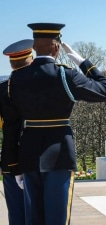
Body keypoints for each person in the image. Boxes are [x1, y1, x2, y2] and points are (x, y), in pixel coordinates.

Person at [8, 23, 106, 225]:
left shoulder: (17, 77)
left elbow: (12, 125)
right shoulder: (66, 75)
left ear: (33, 47)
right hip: (59, 155)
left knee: (34, 218)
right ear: (56, 47)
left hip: (28, 154)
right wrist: (82, 62)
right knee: (57, 218)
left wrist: (15, 165)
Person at [1, 39, 34, 225]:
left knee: (17, 215)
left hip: (12, 160)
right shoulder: (44, 87)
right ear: (31, 59)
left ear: (11, 63)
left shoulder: (3, 89)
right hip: (40, 157)